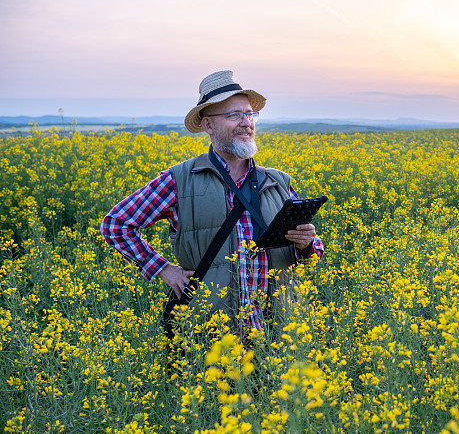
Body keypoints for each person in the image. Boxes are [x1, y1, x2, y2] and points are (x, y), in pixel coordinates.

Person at [101, 70, 323, 333]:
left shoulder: (277, 182)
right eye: (233, 115)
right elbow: (115, 225)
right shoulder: (180, 180)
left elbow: (311, 253)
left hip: (275, 336)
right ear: (208, 125)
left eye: (250, 114)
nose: (246, 122)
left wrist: (307, 243)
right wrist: (163, 270)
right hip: (212, 337)